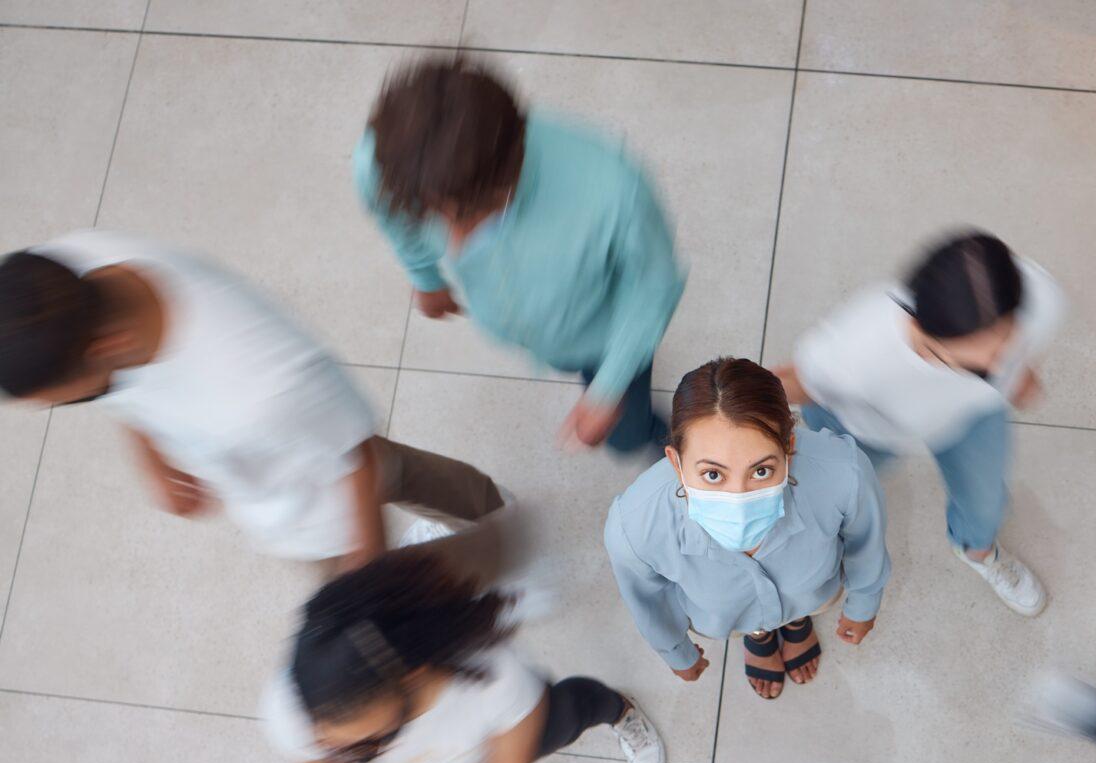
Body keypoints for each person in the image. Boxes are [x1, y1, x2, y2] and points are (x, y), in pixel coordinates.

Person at [0, 232, 505, 575]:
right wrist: (150, 452)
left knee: (401, 474)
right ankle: (485, 513)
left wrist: (366, 566)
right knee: (406, 472)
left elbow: (357, 457)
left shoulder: (263, 385)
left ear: (104, 348)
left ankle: (498, 532)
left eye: (55, 402)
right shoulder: (67, 270)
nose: (54, 408)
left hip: (319, 509)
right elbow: (111, 387)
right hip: (271, 474)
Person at [261, 507, 666, 763]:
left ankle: (618, 708)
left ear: (413, 679)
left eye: (367, 742)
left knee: (573, 712)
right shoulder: (298, 706)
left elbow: (509, 760)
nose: (342, 755)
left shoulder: (495, 677)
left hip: (495, 737)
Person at [354, 57, 685, 455]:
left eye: (466, 217)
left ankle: (676, 446)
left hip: (599, 336)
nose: (456, 247)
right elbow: (394, 218)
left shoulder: (616, 193)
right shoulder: (382, 161)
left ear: (513, 167)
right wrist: (425, 277)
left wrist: (610, 388)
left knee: (626, 437)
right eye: (431, 215)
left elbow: (654, 285)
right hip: (546, 337)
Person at [776, 230, 1064, 617]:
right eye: (976, 364)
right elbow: (788, 383)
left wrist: (1017, 373)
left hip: (971, 417)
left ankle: (977, 551)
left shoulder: (1041, 298)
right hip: (867, 427)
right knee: (835, 505)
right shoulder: (854, 350)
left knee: (986, 502)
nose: (998, 368)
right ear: (922, 330)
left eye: (1004, 348)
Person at [605, 357, 890, 700]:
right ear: (676, 464)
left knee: (807, 601)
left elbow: (866, 546)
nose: (738, 499)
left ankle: (797, 621)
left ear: (789, 447)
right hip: (727, 617)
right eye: (713, 474)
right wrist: (675, 651)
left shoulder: (846, 473)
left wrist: (864, 603)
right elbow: (648, 601)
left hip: (812, 594)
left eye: (761, 471)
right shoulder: (633, 528)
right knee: (744, 622)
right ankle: (757, 635)